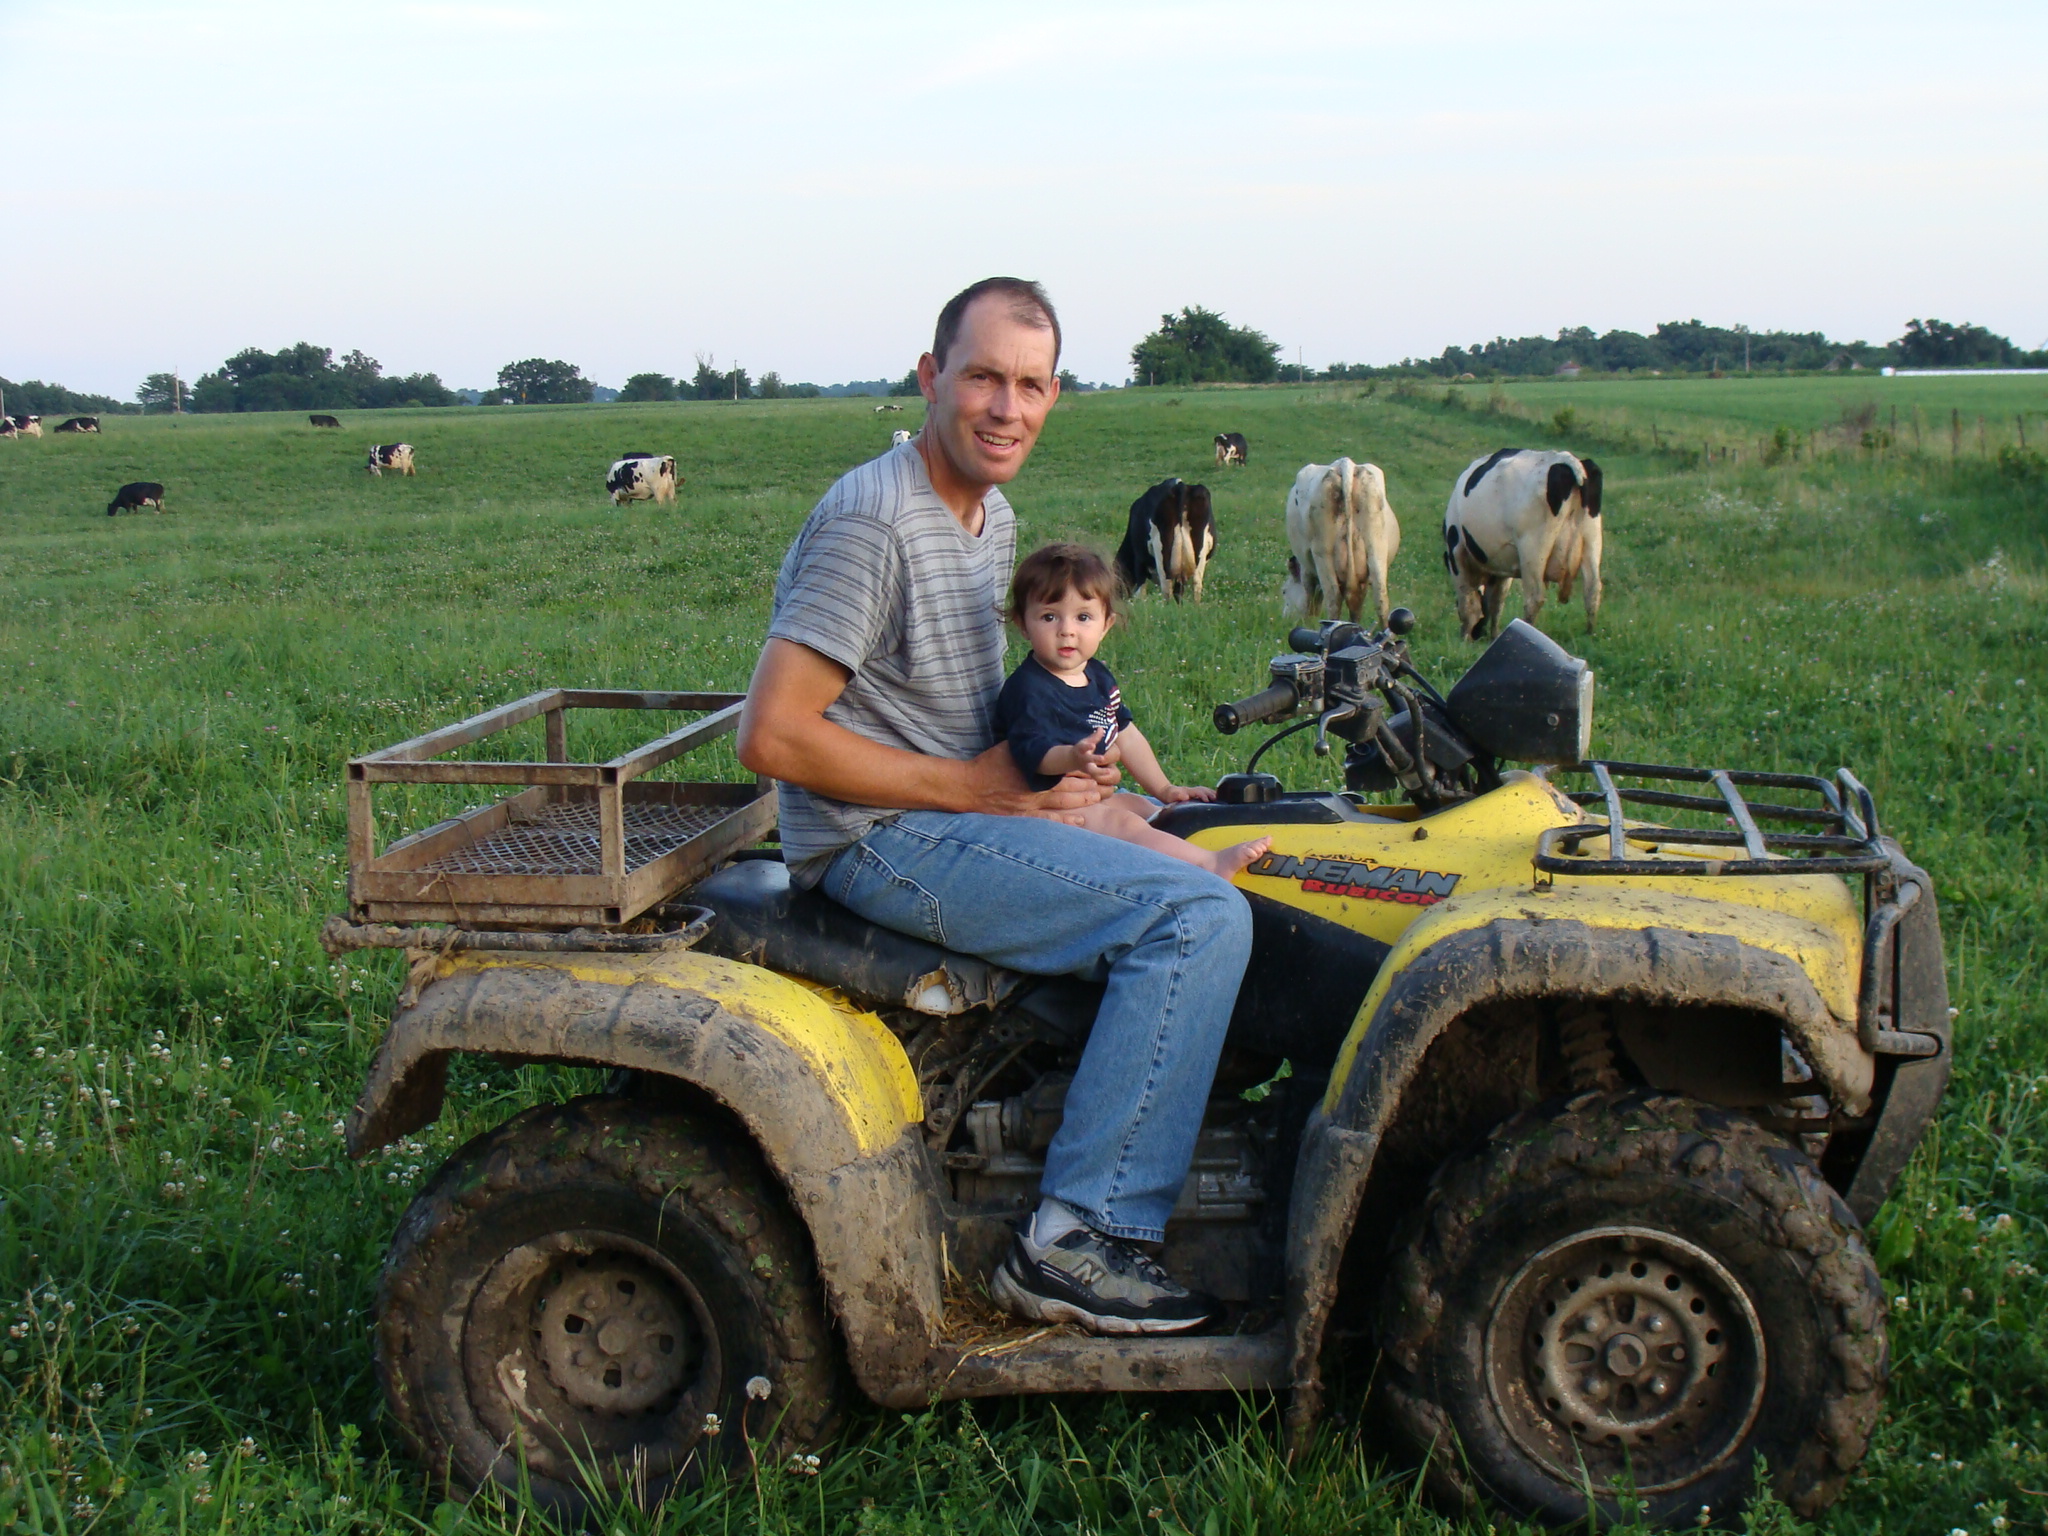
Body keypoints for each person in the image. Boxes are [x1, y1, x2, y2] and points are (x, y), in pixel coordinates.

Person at [736, 277, 1253, 1336]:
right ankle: (1079, 1240)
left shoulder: (987, 510)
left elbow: (982, 705)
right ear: (932, 379)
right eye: (981, 377)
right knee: (1194, 915)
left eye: (1027, 384)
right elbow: (773, 736)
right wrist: (979, 788)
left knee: (1200, 839)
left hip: (961, 812)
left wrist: (1065, 774)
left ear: (1053, 394)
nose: (1003, 406)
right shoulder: (873, 522)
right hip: (879, 839)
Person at [996, 541, 1271, 881]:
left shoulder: (1096, 675)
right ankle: (1208, 865)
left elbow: (1124, 733)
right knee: (1124, 823)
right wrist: (1072, 757)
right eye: (1049, 616)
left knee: (1150, 810)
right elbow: (1031, 753)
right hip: (1048, 807)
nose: (1066, 629)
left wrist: (1164, 789)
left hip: (1091, 795)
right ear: (1024, 624)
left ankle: (1175, 858)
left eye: (1083, 617)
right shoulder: (1028, 689)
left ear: (1106, 625)